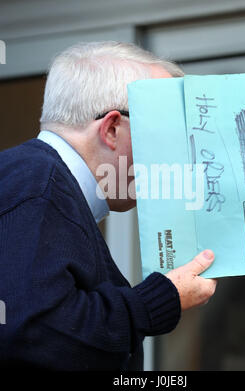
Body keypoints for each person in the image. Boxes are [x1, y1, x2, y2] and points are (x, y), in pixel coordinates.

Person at [0, 41, 217, 370]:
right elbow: (34, 334)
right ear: (112, 128)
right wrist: (160, 299)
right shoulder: (38, 186)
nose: (177, 154)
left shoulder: (40, 185)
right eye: (168, 132)